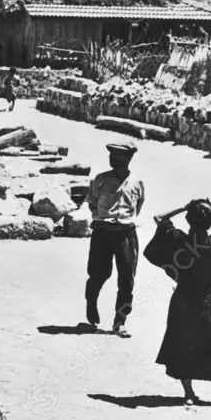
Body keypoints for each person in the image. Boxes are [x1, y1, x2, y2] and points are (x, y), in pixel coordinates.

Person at [145, 199, 211, 405]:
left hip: (183, 297)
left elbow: (159, 218)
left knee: (182, 343)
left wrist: (184, 206)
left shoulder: (179, 240)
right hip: (208, 298)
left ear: (189, 220)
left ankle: (189, 393)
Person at [83, 142, 145, 337]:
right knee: (99, 274)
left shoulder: (136, 183)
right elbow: (91, 203)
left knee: (127, 279)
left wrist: (123, 221)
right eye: (111, 156)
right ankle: (91, 303)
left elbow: (138, 205)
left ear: (128, 159)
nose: (112, 160)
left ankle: (120, 321)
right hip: (102, 232)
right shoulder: (100, 180)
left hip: (126, 234)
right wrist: (104, 218)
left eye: (117, 157)